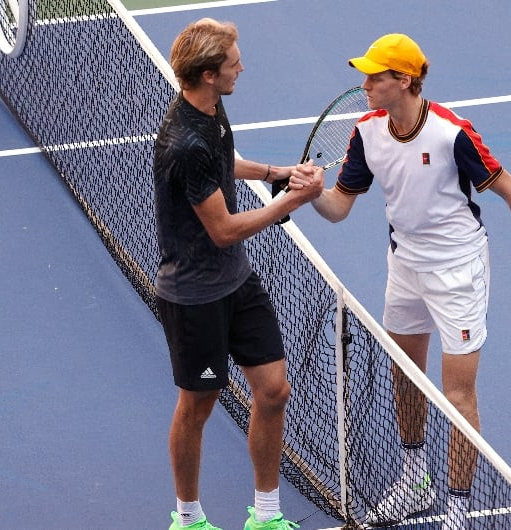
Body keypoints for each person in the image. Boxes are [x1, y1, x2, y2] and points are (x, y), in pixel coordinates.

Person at [301, 33, 511, 529]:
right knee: (404, 374)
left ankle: (458, 509)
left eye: (374, 76)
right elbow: (339, 207)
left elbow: (509, 189)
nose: (364, 85)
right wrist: (311, 194)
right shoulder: (366, 133)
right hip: (404, 266)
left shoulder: (453, 134)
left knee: (458, 396)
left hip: (458, 273)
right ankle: (414, 480)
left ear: (402, 80)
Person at [153, 18, 323, 530]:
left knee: (274, 391)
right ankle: (188, 518)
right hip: (195, 296)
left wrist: (277, 174)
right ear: (208, 74)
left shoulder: (209, 110)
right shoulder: (184, 144)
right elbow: (224, 229)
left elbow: (226, 161)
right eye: (233, 63)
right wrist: (294, 199)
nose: (242, 68)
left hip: (235, 281)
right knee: (198, 406)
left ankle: (265, 517)